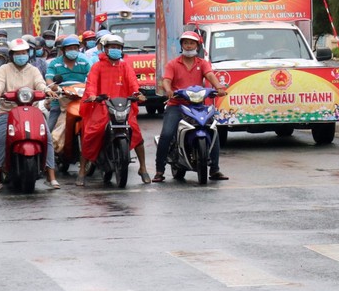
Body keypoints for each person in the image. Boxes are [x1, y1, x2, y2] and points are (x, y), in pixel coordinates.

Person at [0, 39, 60, 193]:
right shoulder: (4, 69)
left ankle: (51, 175)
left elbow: (40, 83)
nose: (21, 56)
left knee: (46, 137)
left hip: (31, 110)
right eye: (18, 53)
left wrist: (47, 91)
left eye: (24, 53)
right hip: (8, 110)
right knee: (0, 138)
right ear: (12, 55)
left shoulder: (33, 70)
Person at [154, 31, 228, 182]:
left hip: (198, 105)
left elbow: (210, 75)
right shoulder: (173, 64)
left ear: (197, 46)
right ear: (181, 45)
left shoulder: (202, 63)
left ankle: (215, 169)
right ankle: (159, 170)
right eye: (186, 43)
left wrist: (218, 88)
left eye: (192, 43)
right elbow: (166, 79)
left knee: (213, 130)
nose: (189, 46)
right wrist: (168, 90)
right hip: (176, 105)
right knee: (167, 134)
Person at [78, 34, 150, 186]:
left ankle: (143, 168)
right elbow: (91, 84)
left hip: (123, 106)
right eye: (112, 47)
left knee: (135, 131)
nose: (115, 50)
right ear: (105, 49)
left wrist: (137, 95)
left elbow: (133, 84)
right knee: (91, 133)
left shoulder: (125, 66)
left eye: (118, 47)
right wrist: (92, 95)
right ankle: (82, 170)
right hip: (102, 106)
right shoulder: (97, 66)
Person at [44, 36, 93, 130]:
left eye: (75, 48)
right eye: (70, 48)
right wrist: (55, 87)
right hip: (60, 100)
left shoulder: (84, 63)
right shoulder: (54, 63)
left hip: (80, 100)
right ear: (63, 50)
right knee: (49, 130)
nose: (73, 50)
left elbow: (92, 78)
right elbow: (49, 79)